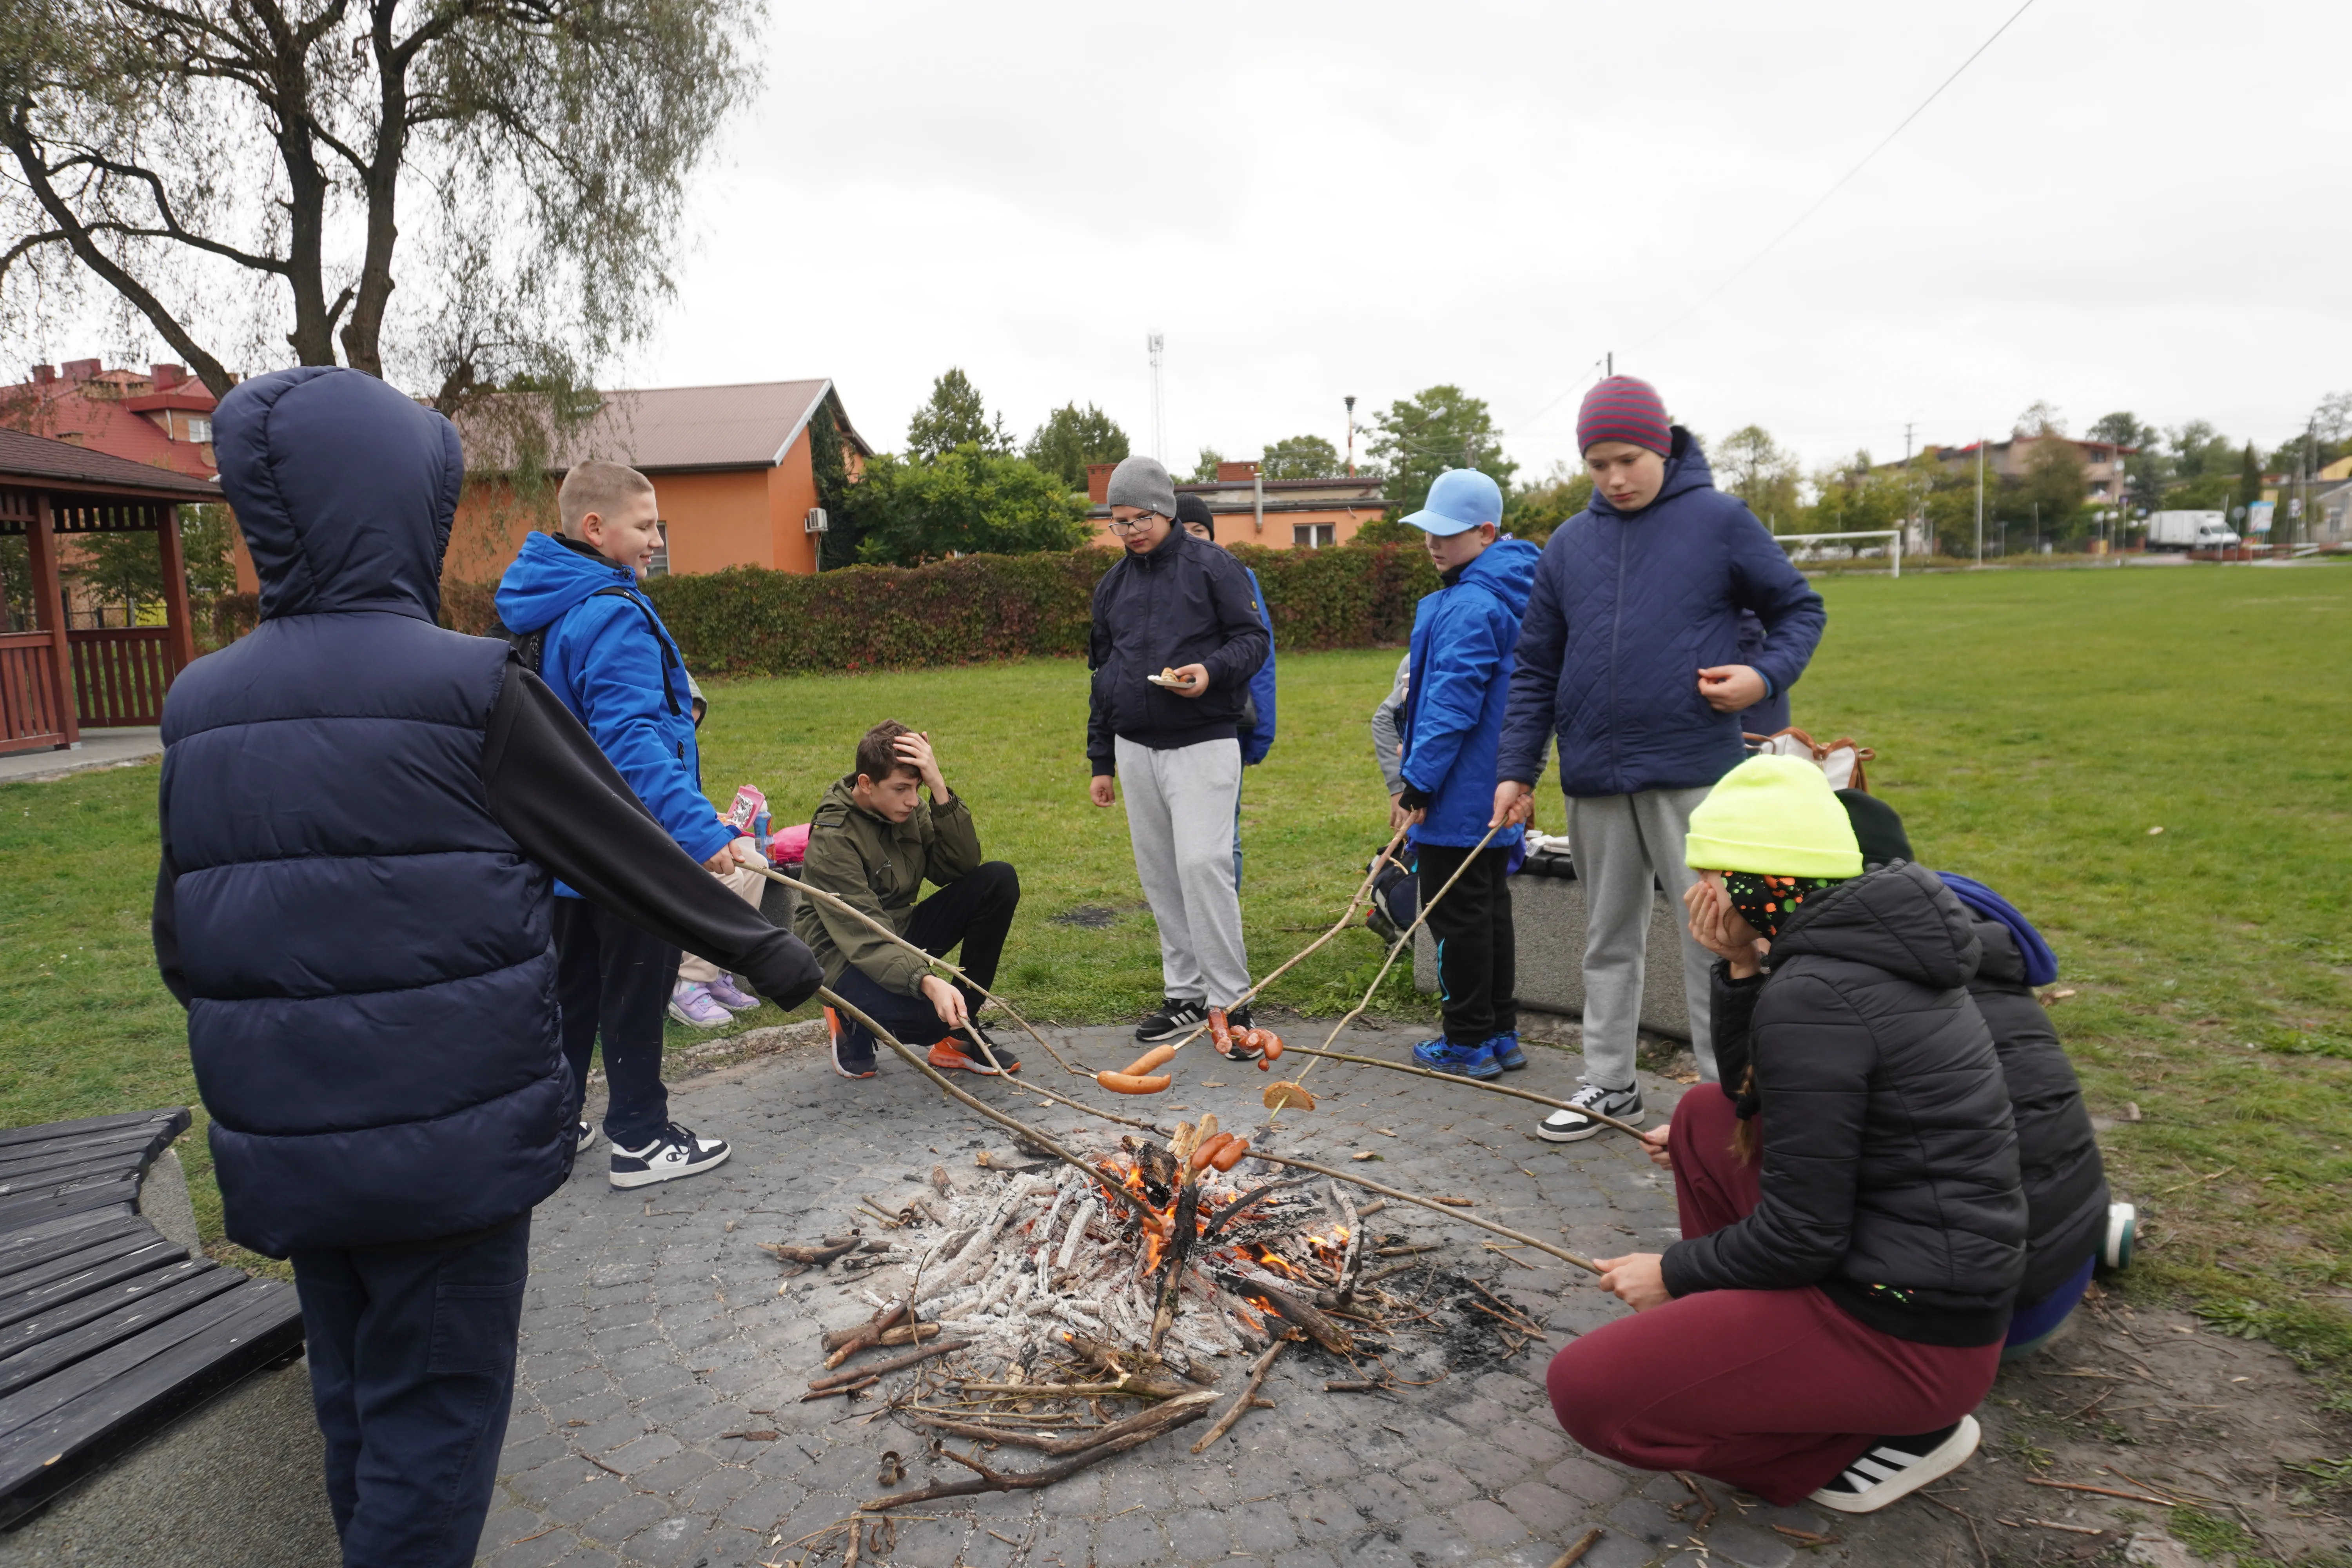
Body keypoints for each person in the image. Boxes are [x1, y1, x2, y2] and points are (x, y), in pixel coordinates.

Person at [153, 367, 821, 1568]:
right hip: (443, 1142)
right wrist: (767, 950)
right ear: (400, 509)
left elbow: (178, 938)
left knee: (356, 1400)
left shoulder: (202, 702)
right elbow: (618, 842)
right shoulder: (466, 687)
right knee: (438, 1425)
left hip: (287, 1137)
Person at [1546, 755, 2025, 1515]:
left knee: (1586, 1390)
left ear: (1765, 882)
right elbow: (1747, 1098)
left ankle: (1865, 1442)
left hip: (1906, 1330)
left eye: (1710, 878)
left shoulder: (1818, 994)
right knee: (1704, 1116)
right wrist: (1737, 965)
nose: (1695, 895)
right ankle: (1758, 1354)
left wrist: (1673, 1269)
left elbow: (1803, 1234)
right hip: (1922, 1288)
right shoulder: (1854, 947)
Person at [1494, 376, 1827, 1140]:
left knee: (1713, 933)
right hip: (1595, 777)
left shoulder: (1718, 521)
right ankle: (1610, 1083)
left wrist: (1763, 675)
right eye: (1599, 463)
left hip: (1692, 770)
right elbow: (1536, 665)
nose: (1615, 477)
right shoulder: (1569, 547)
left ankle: (1723, 1098)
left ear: (1663, 446)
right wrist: (1518, 770)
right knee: (1606, 936)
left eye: (1630, 458)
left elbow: (1799, 608)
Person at [496, 461, 765, 1187]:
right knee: (637, 988)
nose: (655, 541)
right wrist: (701, 834)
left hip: (566, 843)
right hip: (624, 842)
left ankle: (556, 1125)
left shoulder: (546, 600)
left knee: (574, 990)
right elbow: (632, 742)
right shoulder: (610, 610)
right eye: (645, 526)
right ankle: (642, 1138)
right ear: (596, 528)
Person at [1833, 790, 2128, 1357]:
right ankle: (2096, 1232)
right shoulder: (1967, 937)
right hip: (2059, 1271)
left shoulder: (1844, 979)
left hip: (1978, 1319)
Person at [1087, 456, 1272, 1050]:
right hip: (1135, 746)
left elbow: (1253, 641)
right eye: (1119, 521)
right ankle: (1186, 997)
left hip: (1204, 740)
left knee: (1204, 865)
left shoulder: (1214, 566)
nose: (1133, 530)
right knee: (1163, 877)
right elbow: (1103, 674)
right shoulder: (1111, 586)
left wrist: (1209, 673)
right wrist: (1101, 760)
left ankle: (1232, 1002)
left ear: (1165, 509)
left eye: (1141, 517)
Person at [1392, 469, 1541, 1078]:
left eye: (1447, 534)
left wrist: (1419, 783)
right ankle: (1500, 1031)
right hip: (1494, 788)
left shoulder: (1471, 606)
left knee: (1455, 918)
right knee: (1488, 910)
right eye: (1427, 531)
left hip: (1459, 791)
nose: (1433, 544)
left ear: (1486, 533)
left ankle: (1466, 1040)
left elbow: (1450, 705)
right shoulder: (1499, 592)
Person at [797, 720, 1022, 1079]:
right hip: (844, 951)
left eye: (917, 787)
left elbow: (958, 865)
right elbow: (865, 934)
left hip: (896, 932)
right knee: (926, 1024)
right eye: (901, 788)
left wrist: (939, 788)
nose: (912, 800)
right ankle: (848, 1013)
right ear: (866, 784)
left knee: (998, 881)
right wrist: (927, 981)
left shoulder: (908, 806)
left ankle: (961, 1030)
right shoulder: (833, 838)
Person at [1174, 493, 1277, 889]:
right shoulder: (1151, 580)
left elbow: (1261, 658)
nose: (1193, 539)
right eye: (1184, 530)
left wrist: (1260, 733)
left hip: (1226, 726)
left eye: (1201, 531)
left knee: (1223, 832)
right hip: (1170, 727)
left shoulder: (1235, 575)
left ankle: (1224, 926)